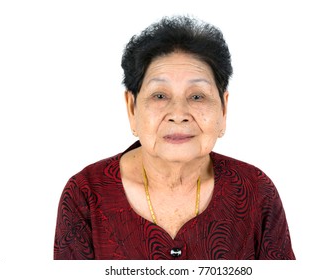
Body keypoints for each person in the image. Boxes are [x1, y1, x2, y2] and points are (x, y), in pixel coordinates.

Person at [54, 15, 295, 260]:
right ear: (132, 108)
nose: (178, 114)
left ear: (223, 109)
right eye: (159, 96)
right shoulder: (85, 194)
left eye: (198, 96)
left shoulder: (255, 191)